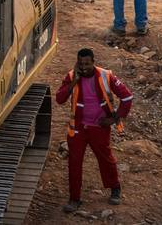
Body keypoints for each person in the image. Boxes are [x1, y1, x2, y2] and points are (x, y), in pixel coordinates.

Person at [56, 49, 132, 211]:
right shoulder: (71, 77)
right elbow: (59, 99)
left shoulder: (106, 75)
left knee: (106, 159)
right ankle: (74, 199)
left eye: (87, 64)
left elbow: (127, 97)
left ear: (93, 62)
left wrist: (114, 118)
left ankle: (115, 188)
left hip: (99, 127)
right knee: (74, 163)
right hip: (77, 129)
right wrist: (73, 83)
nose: (84, 68)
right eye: (81, 64)